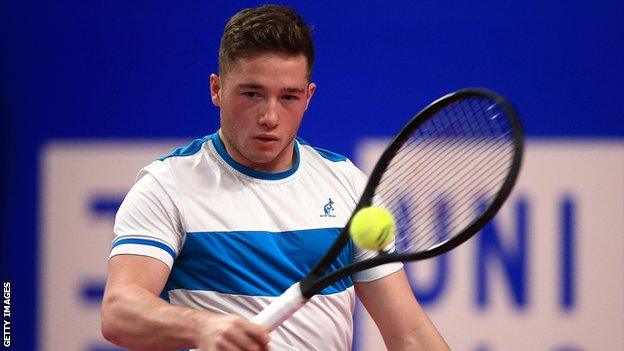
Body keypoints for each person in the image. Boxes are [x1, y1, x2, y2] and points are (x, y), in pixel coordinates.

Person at [100, 4, 449, 351]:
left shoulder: (346, 184)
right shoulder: (167, 186)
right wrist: (202, 327)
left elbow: (409, 334)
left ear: (308, 96)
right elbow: (119, 311)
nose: (270, 116)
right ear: (217, 89)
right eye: (252, 94)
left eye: (288, 97)